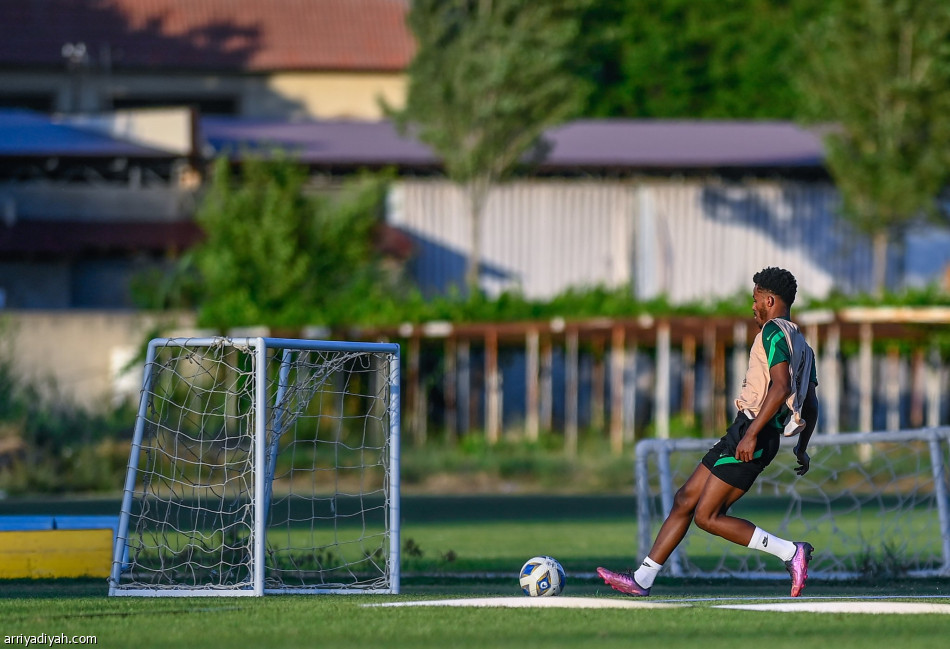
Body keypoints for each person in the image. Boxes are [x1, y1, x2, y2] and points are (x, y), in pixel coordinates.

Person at [598, 267, 820, 598]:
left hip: (754, 433)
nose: (753, 307)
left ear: (770, 301)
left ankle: (790, 552)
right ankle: (642, 579)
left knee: (707, 516)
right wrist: (802, 445)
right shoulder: (803, 346)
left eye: (756, 299)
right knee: (685, 499)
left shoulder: (773, 332)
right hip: (748, 430)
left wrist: (751, 434)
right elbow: (811, 403)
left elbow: (781, 387)